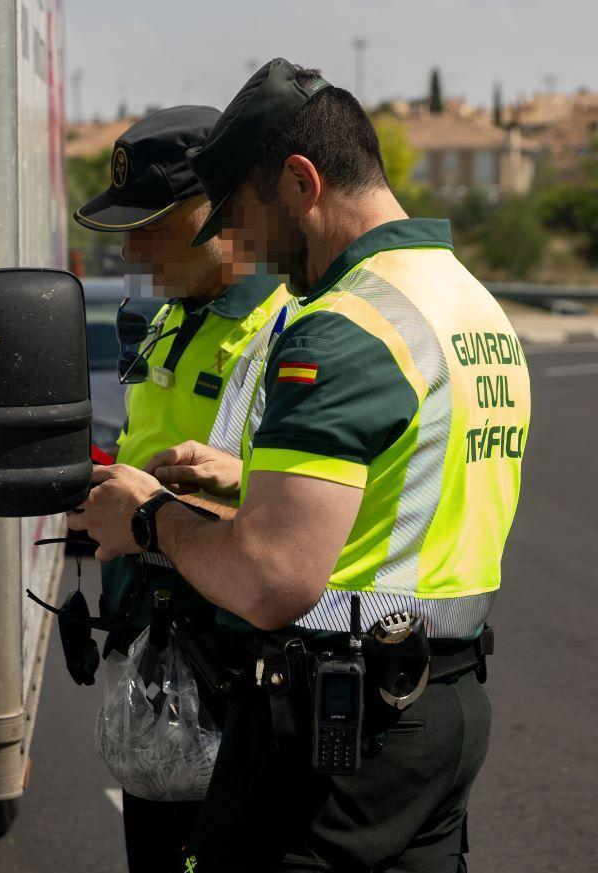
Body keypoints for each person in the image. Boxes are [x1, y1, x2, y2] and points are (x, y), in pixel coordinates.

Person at [69, 59, 530, 872]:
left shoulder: (344, 326)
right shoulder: (467, 304)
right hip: (444, 706)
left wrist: (147, 517)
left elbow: (271, 577)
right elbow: (406, 498)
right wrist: (247, 482)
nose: (243, 247)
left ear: (300, 181)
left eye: (243, 217)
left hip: (334, 734)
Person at [71, 105, 292, 873]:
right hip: (160, 670)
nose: (130, 249)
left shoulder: (289, 331)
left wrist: (152, 516)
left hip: (242, 691)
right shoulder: (171, 319)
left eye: (152, 226)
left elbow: (306, 530)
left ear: (222, 210)